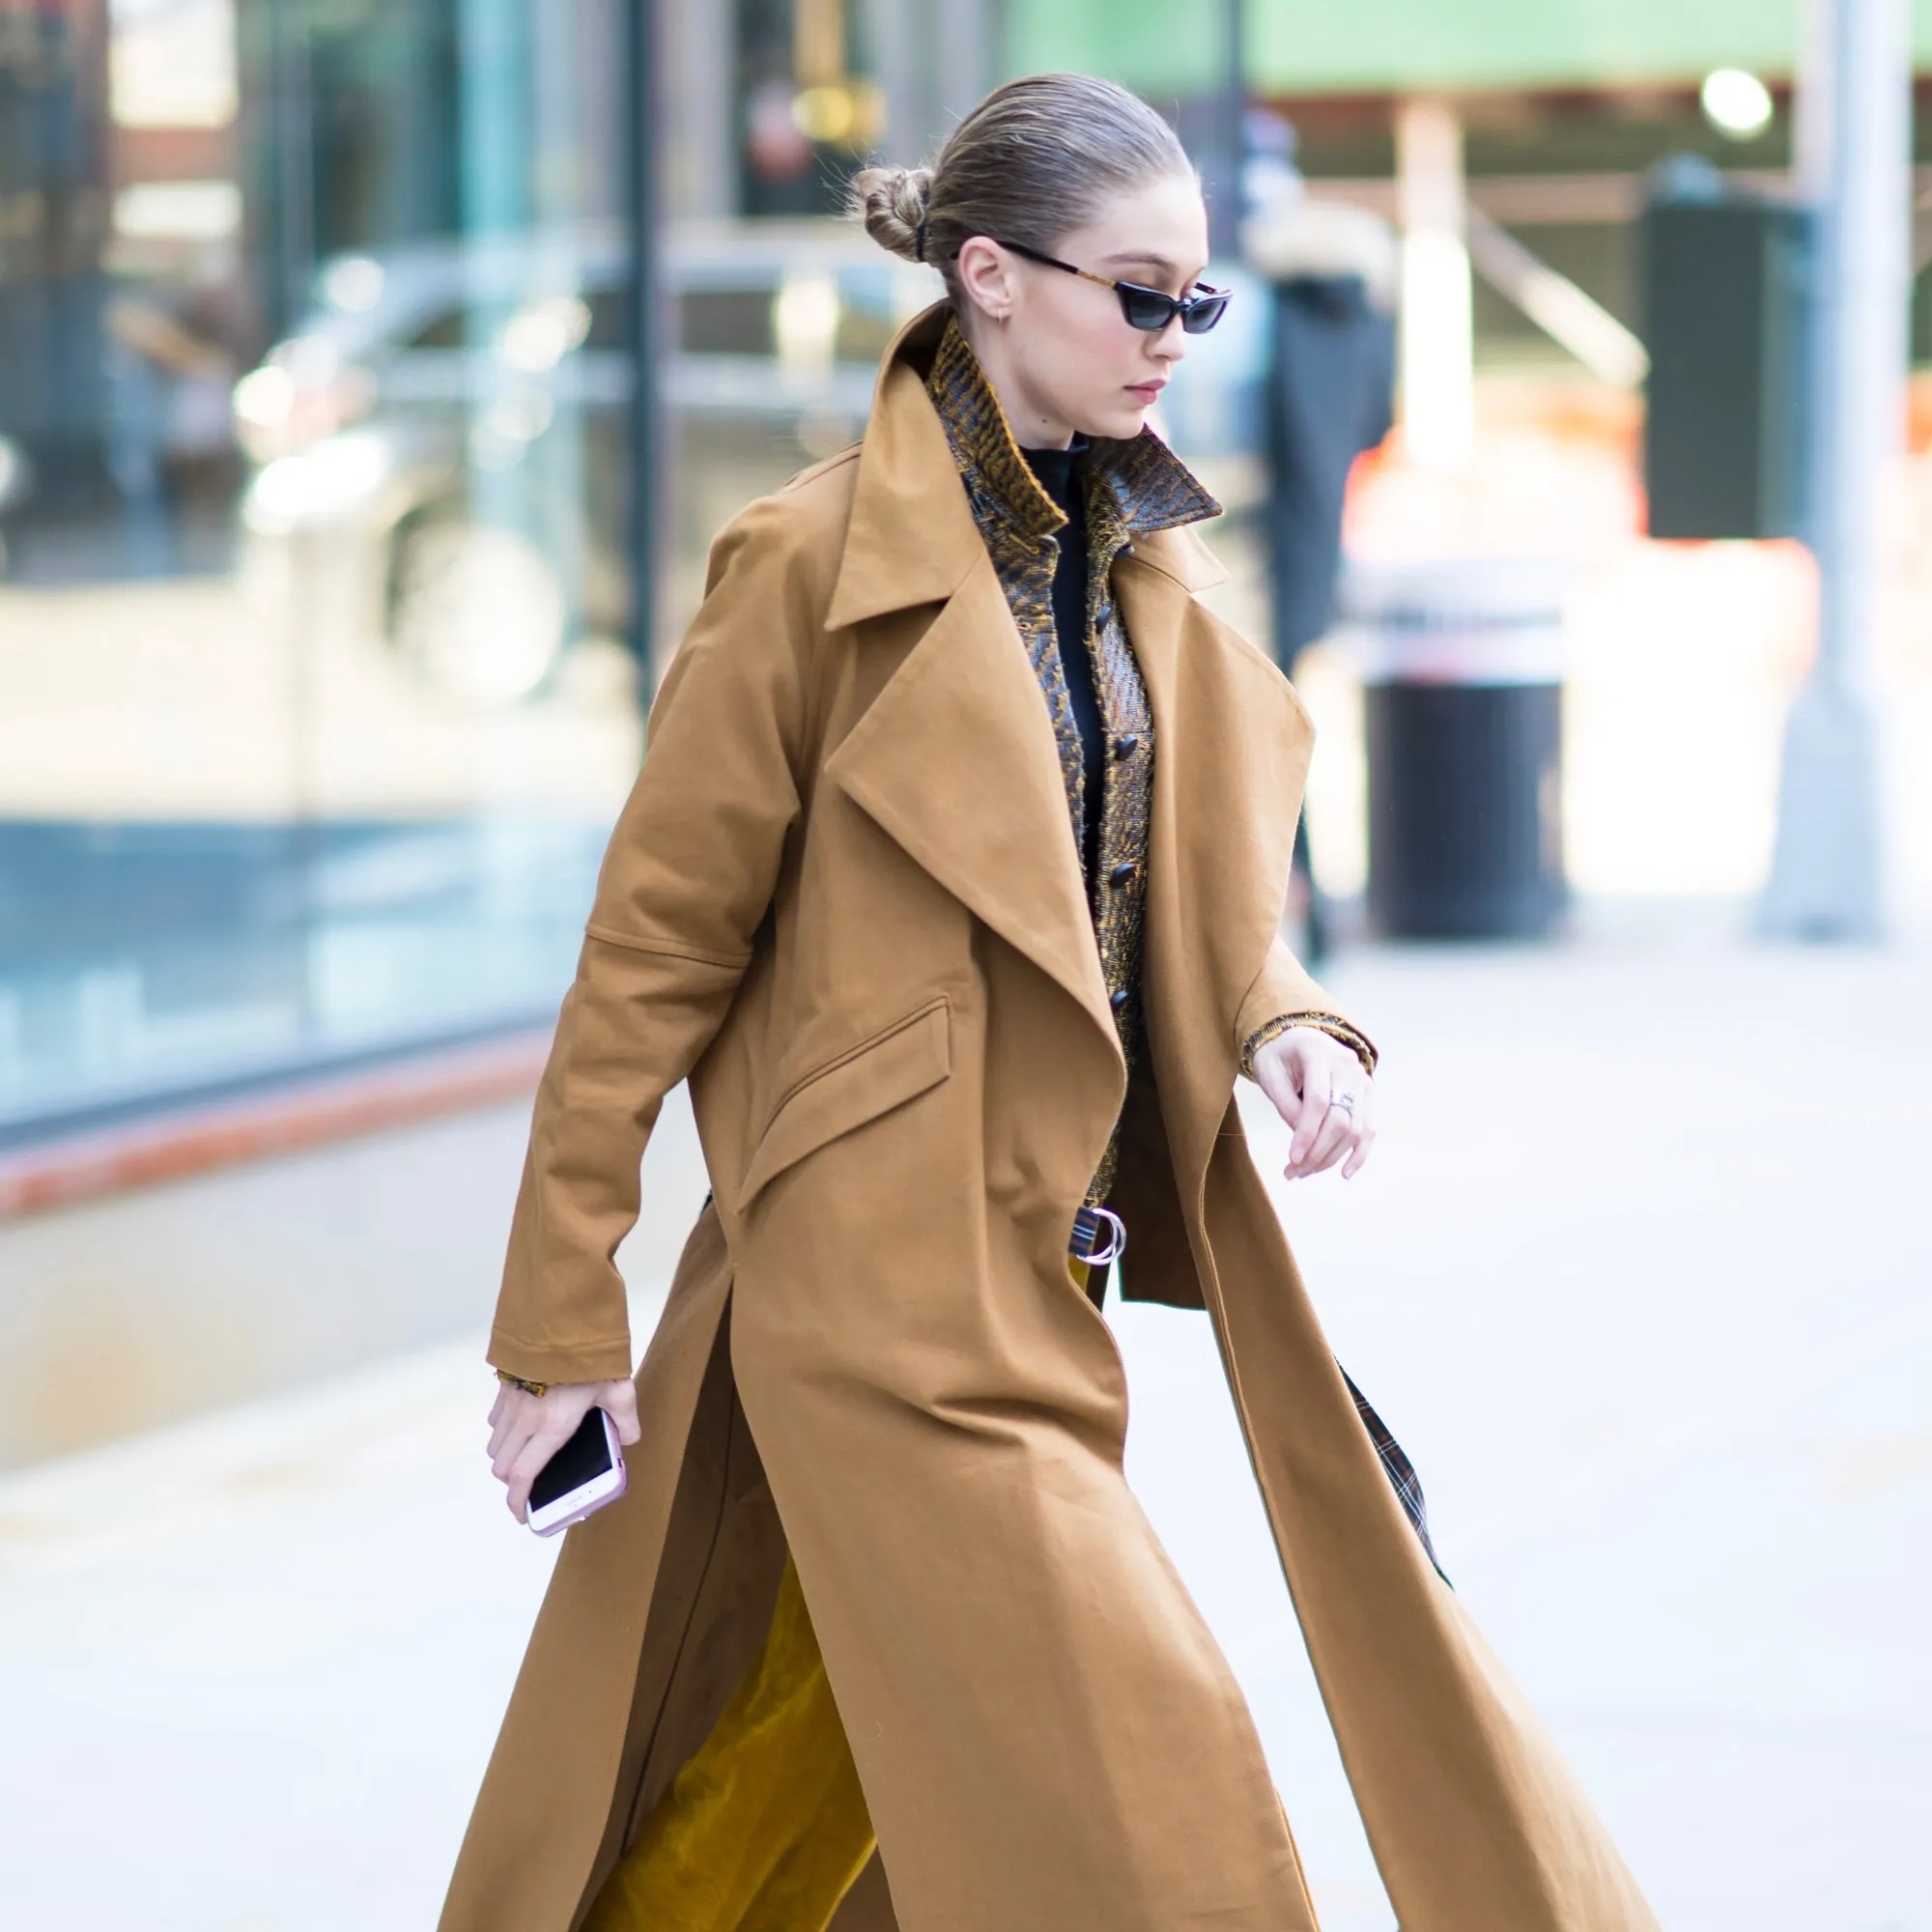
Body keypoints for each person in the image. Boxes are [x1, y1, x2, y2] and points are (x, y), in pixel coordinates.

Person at [440, 73, 1657, 1932]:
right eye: (1138, 293)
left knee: (799, 1771)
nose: (1174, 338)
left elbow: (1168, 883)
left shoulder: (1137, 568)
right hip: (875, 1291)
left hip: (1038, 1273)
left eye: (1196, 301)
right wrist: (558, 1316)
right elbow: (650, 958)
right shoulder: (807, 566)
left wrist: (1282, 1018)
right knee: (1146, 1801)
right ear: (989, 275)